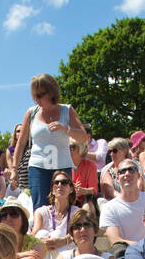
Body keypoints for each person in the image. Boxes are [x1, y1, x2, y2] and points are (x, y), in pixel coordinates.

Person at [10, 74, 88, 212]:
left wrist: (66, 129)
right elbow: (21, 143)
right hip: (38, 167)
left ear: (51, 92)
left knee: (63, 207)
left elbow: (83, 137)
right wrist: (14, 169)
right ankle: (40, 233)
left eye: (40, 94)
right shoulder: (31, 113)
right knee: (40, 208)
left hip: (62, 166)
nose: (37, 99)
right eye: (35, 95)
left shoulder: (67, 110)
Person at [98, 158, 145, 252]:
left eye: (131, 170)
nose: (127, 174)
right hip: (126, 255)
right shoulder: (109, 208)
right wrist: (144, 247)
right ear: (117, 178)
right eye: (122, 171)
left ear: (138, 175)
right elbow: (116, 241)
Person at [30, 172, 79, 256]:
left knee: (57, 234)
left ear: (71, 189)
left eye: (64, 182)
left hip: (67, 254)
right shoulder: (41, 212)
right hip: (45, 254)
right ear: (52, 190)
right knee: (42, 234)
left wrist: (60, 241)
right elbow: (34, 235)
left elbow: (77, 235)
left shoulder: (76, 213)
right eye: (56, 183)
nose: (59, 185)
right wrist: (43, 242)